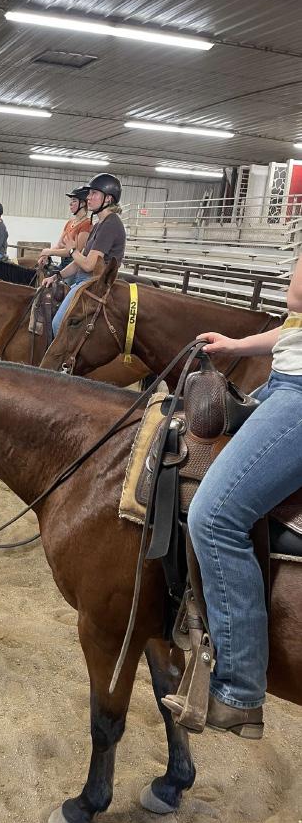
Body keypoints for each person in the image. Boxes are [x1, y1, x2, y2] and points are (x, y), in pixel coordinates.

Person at [163, 258, 302, 737]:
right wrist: (237, 345)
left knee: (214, 516)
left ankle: (239, 690)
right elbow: (296, 323)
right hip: (284, 380)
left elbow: (298, 296)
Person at [42, 173, 126, 335]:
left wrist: (72, 250)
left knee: (58, 325)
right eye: (89, 193)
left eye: (94, 193)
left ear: (108, 199)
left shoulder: (111, 224)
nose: (88, 197)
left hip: (94, 284)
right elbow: (79, 262)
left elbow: (89, 265)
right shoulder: (99, 224)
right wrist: (56, 276)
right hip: (84, 280)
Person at [38, 186, 92, 278]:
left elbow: (75, 251)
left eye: (74, 201)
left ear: (83, 203)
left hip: (73, 267)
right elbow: (59, 245)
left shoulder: (87, 224)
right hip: (63, 264)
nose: (70, 203)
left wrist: (49, 252)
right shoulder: (70, 222)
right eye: (71, 200)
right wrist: (46, 255)